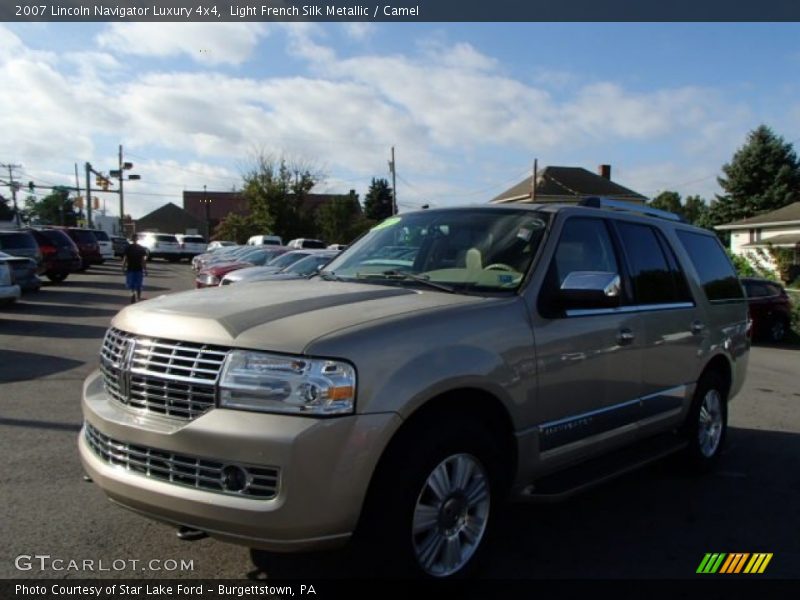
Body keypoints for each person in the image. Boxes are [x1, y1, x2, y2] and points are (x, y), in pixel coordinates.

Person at [122, 234, 148, 303]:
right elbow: (143, 260)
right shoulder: (141, 248)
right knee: (139, 285)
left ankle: (133, 295)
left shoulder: (128, 248)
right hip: (138, 269)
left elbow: (125, 259)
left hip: (130, 269)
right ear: (137, 239)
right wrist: (145, 270)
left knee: (131, 285)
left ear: (131, 239)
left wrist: (123, 267)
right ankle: (138, 298)